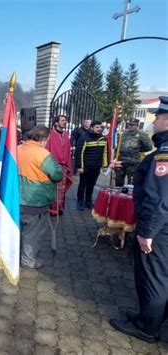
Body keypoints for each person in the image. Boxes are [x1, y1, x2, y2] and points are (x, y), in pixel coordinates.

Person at [109, 96, 168, 343]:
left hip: (160, 230)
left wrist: (147, 232)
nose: (154, 120)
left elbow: (160, 199)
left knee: (153, 277)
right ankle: (151, 316)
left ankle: (147, 327)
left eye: (158, 116)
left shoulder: (164, 155)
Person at [18, 125, 63, 268]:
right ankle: (27, 260)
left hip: (16, 199)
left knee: (19, 232)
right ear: (43, 139)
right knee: (32, 234)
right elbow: (57, 174)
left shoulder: (17, 149)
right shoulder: (43, 154)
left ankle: (15, 257)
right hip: (35, 202)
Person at [75, 120, 108, 210]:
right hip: (86, 167)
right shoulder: (84, 138)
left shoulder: (103, 139)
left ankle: (88, 202)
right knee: (83, 185)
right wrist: (80, 166)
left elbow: (105, 152)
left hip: (96, 167)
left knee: (91, 185)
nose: (99, 129)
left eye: (100, 127)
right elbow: (79, 153)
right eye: (97, 127)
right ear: (91, 127)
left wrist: (105, 165)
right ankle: (80, 201)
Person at [45, 115, 72, 216]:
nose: (65, 122)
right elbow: (47, 149)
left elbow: (68, 150)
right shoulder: (51, 134)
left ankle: (59, 207)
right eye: (63, 120)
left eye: (65, 120)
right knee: (53, 187)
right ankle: (52, 208)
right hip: (54, 165)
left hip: (64, 166)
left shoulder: (66, 134)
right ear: (56, 123)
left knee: (62, 188)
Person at [115, 118, 153, 186]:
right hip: (121, 162)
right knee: (118, 181)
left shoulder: (142, 134)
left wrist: (138, 149)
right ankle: (119, 196)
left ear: (137, 126)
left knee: (132, 183)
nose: (130, 126)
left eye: (133, 125)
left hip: (133, 163)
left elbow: (149, 146)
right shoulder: (124, 133)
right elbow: (118, 146)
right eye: (129, 124)